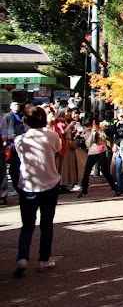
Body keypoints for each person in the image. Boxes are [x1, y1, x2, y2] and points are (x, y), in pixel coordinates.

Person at [12, 104, 62, 276]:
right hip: (50, 182)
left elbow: (19, 160)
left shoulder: (20, 140)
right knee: (46, 223)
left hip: (28, 185)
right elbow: (57, 151)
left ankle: (22, 258)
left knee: (27, 225)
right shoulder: (52, 136)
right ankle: (43, 259)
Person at [77, 117, 117, 197]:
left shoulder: (101, 131)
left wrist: (99, 131)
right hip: (91, 153)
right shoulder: (87, 132)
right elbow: (88, 143)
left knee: (105, 171)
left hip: (101, 152)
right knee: (86, 172)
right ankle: (84, 191)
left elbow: (104, 138)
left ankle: (114, 188)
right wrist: (92, 133)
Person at [3, 102, 26, 189]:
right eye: (15, 105)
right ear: (11, 107)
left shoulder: (22, 115)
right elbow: (5, 128)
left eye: (18, 104)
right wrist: (9, 137)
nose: (17, 106)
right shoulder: (7, 116)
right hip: (12, 142)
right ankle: (15, 184)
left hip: (21, 140)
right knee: (13, 164)